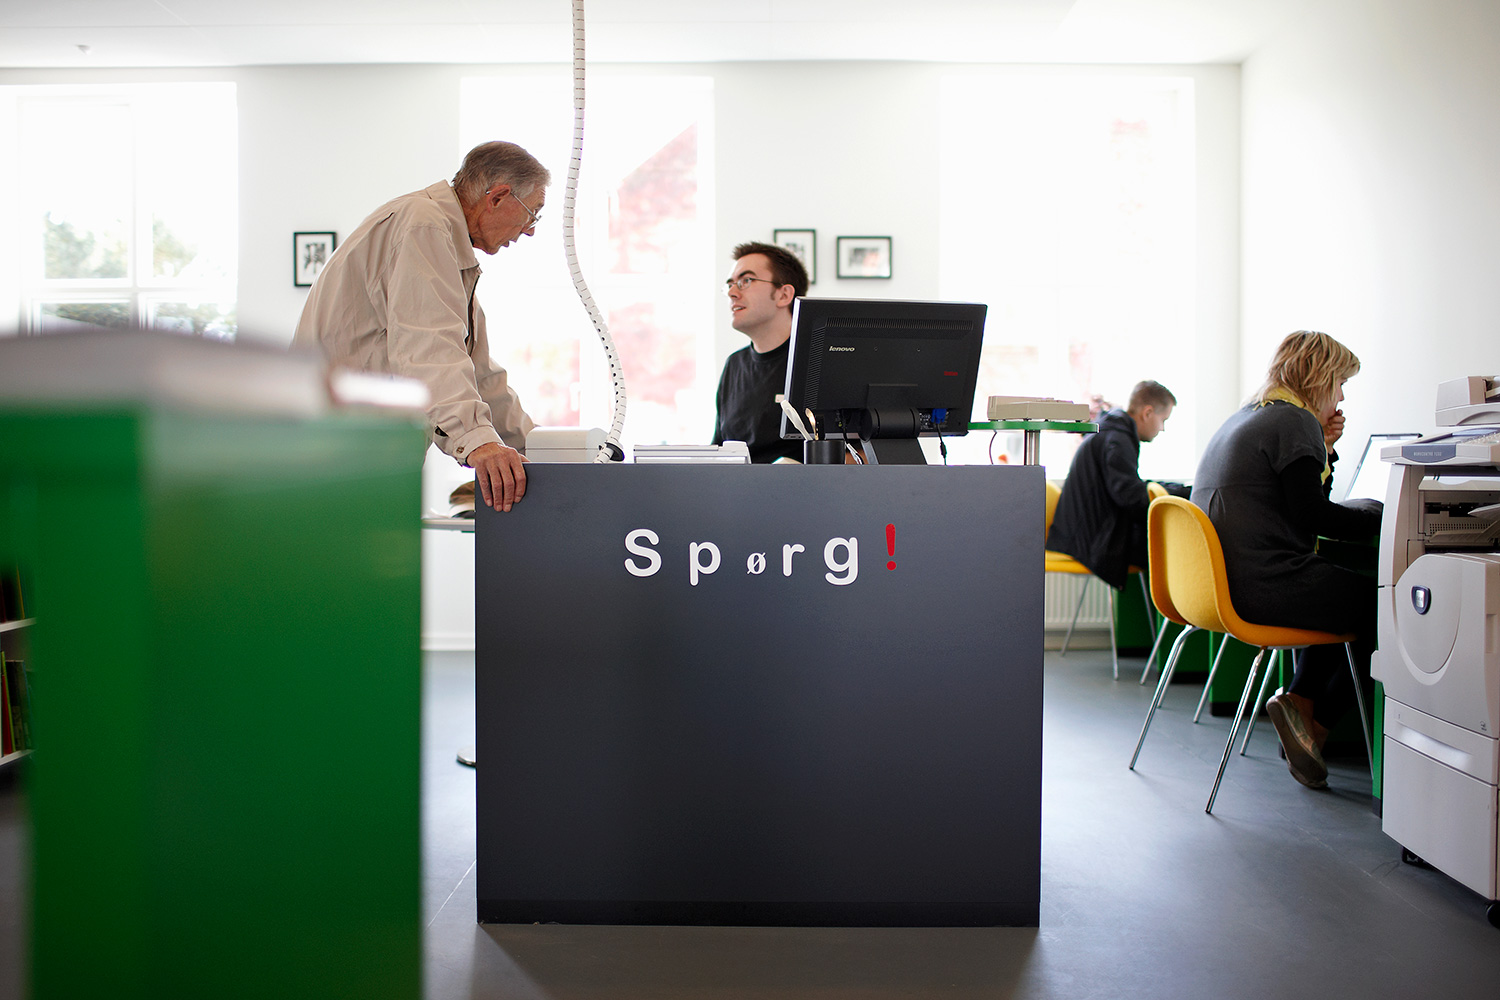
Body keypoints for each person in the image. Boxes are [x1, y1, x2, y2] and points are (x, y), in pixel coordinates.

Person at [293, 141, 548, 512]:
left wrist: (542, 449)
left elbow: (480, 377)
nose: (530, 231)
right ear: (497, 197)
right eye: (532, 214)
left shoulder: (446, 245)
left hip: (360, 454)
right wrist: (479, 442)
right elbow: (429, 349)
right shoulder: (424, 224)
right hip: (339, 454)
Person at [1191, 331, 1381, 790]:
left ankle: (1302, 713)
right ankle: (1311, 718)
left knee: (1338, 592)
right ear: (1320, 377)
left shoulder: (1250, 415)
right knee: (1381, 608)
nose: (1341, 397)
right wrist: (1382, 519)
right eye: (1340, 383)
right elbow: (1313, 515)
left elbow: (1304, 502)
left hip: (1225, 585)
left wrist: (1325, 448)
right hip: (1266, 585)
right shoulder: (1294, 421)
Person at [1047, 380, 1177, 590]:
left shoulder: (1112, 431)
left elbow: (1128, 487)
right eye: (1163, 420)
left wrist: (1169, 490)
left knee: (1160, 541)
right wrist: (1175, 497)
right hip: (1088, 543)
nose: (1162, 428)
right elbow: (1129, 497)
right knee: (1169, 545)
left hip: (1078, 536)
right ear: (1147, 413)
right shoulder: (1117, 440)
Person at [712, 241, 810, 464]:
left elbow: (861, 454)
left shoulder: (818, 360)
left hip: (800, 485)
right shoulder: (734, 364)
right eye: (730, 285)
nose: (732, 293)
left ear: (783, 295)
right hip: (738, 485)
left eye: (746, 281)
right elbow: (718, 449)